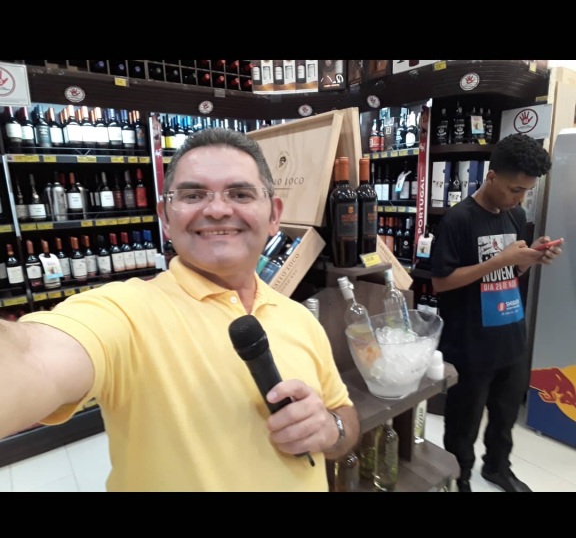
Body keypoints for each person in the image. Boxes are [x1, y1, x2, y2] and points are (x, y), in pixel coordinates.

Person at [0, 127, 359, 491]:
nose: (217, 209)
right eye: (193, 194)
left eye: (240, 193)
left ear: (273, 215)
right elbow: (32, 356)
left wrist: (332, 429)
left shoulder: (300, 318)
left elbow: (344, 414)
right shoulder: (126, 312)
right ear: (166, 218)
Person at [430, 133, 563, 493]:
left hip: (511, 335)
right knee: (464, 421)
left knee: (504, 418)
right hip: (470, 342)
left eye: (525, 192)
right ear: (491, 177)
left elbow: (512, 272)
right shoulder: (458, 219)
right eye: (514, 189)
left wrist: (532, 257)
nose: (519, 199)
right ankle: (459, 477)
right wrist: (498, 260)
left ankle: (497, 468)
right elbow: (441, 282)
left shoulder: (515, 215)